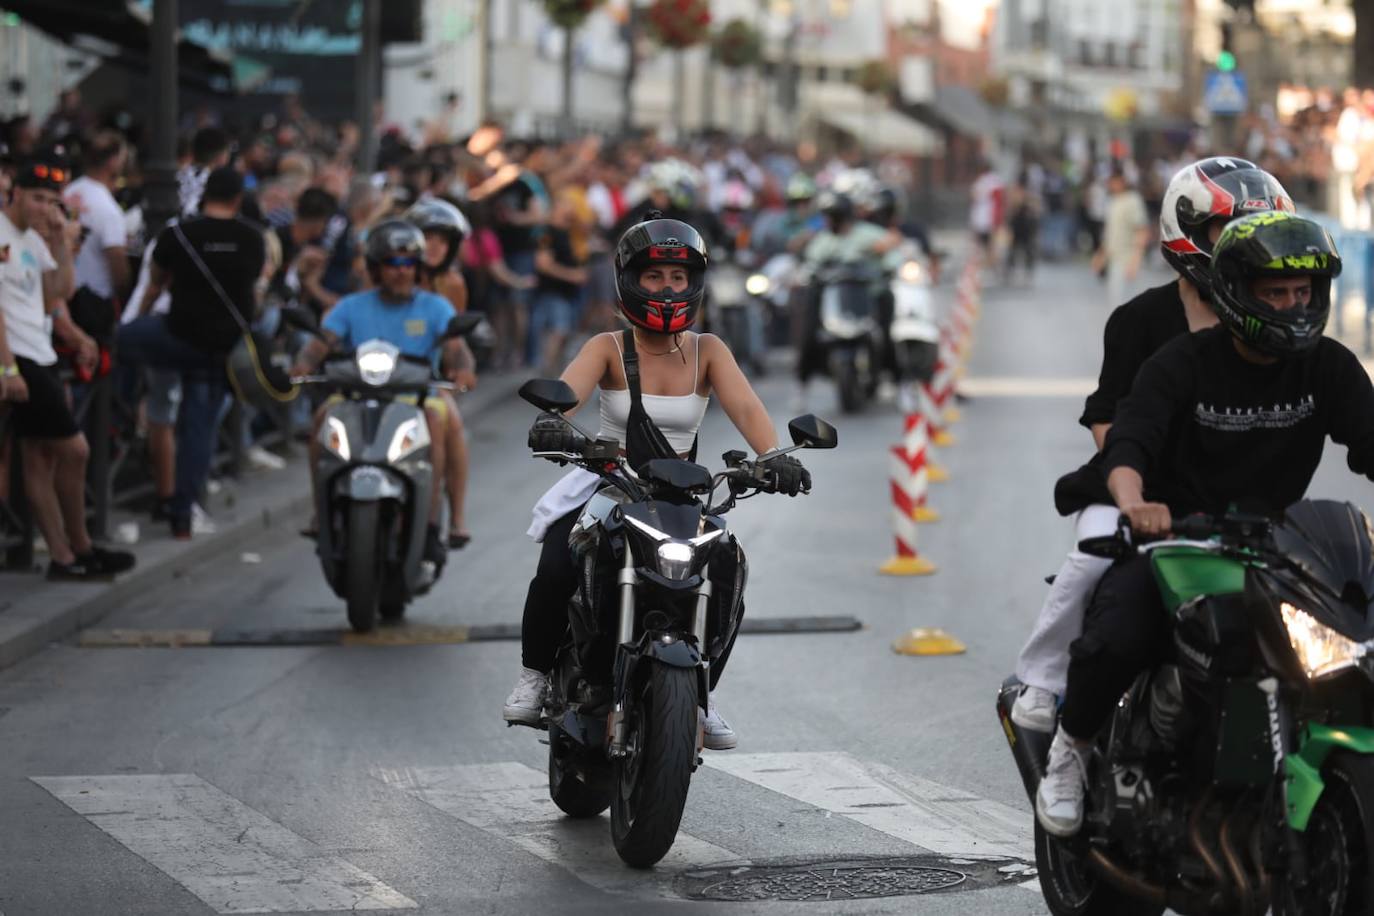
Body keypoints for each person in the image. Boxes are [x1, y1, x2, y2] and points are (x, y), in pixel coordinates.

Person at [1035, 210, 1374, 838]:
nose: (1294, 305)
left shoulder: (1326, 366)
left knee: (1352, 643)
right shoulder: (1182, 363)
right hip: (1176, 540)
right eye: (1276, 292)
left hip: (1275, 547)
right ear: (1238, 293)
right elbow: (1129, 443)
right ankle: (1072, 747)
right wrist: (1136, 501)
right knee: (1118, 636)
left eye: (1303, 292)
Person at [502, 214, 812, 750]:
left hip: (680, 495)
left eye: (676, 277)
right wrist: (554, 421)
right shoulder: (606, 346)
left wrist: (777, 458)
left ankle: (700, 693)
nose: (666, 288)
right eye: (654, 277)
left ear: (693, 284)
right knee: (556, 562)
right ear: (630, 280)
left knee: (727, 569)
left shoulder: (708, 350)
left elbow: (748, 409)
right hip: (607, 485)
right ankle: (533, 676)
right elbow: (566, 395)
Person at [1010, 158, 1294, 735]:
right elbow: (1106, 418)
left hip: (1237, 506)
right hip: (1137, 494)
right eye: (1230, 231)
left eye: (1260, 233)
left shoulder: (1278, 325)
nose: (1249, 246)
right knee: (1092, 555)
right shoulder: (1140, 319)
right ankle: (1041, 679)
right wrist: (1137, 485)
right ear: (1188, 233)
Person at [290, 220, 462, 568]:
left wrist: (463, 366)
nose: (401, 272)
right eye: (392, 264)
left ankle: (429, 525)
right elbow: (322, 342)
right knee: (322, 418)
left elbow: (456, 347)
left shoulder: (435, 307)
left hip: (415, 397)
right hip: (356, 395)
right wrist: (303, 363)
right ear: (375, 268)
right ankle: (320, 512)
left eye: (409, 264)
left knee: (436, 421)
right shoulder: (350, 306)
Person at [0, 153, 135, 579]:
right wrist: (7, 368)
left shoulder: (34, 239)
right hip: (20, 357)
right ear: (15, 193)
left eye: (52, 201)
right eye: (37, 199)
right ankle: (77, 544)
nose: (45, 209)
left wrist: (60, 242)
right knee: (75, 449)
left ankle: (66, 554)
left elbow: (56, 294)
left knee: (40, 458)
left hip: (39, 352)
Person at [121, 167, 267, 539]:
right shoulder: (253, 239)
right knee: (198, 430)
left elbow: (154, 286)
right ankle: (183, 515)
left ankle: (123, 412)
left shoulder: (178, 235)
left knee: (117, 343)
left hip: (175, 336)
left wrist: (133, 324)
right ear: (237, 200)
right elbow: (256, 291)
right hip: (217, 349)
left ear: (204, 197)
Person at [405, 198, 478, 548]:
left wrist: (462, 367)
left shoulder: (452, 284)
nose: (434, 246)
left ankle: (447, 517)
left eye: (442, 239)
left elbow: (455, 341)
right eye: (426, 237)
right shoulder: (387, 274)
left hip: (426, 380)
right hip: (376, 378)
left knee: (451, 425)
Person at [1092, 166, 1150, 305]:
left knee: (1130, 307)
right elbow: (1110, 234)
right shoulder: (1113, 201)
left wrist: (1136, 260)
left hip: (1128, 259)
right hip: (1114, 260)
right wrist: (1101, 255)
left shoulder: (1133, 200)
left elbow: (1142, 230)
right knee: (1116, 305)